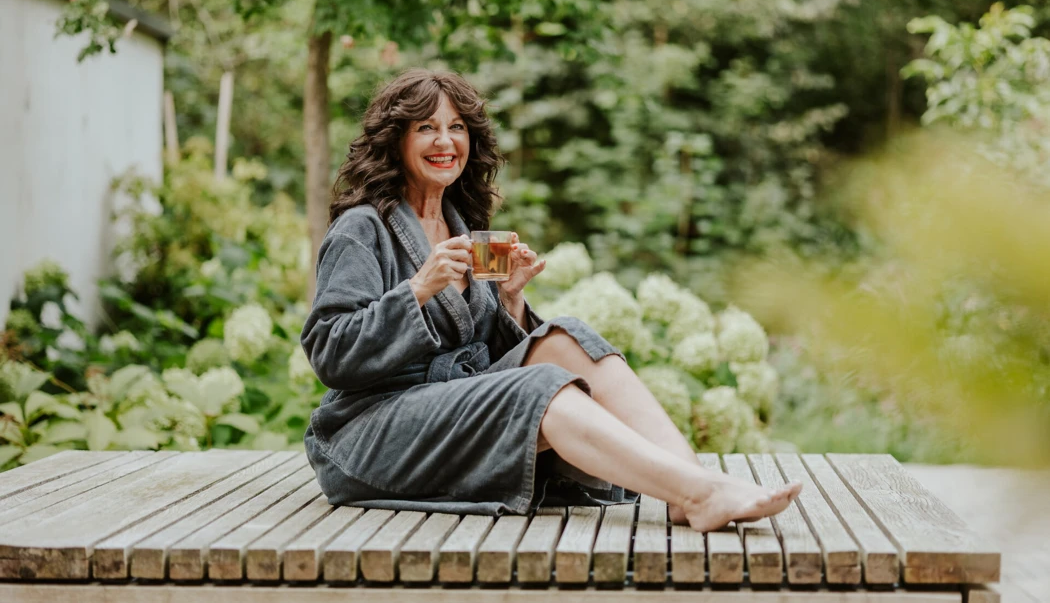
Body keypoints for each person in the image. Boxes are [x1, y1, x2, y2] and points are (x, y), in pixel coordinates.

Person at [301, 68, 802, 532]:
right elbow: (329, 354)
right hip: (371, 432)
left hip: (441, 412)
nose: (445, 141)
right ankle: (699, 495)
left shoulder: (458, 224)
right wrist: (417, 289)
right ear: (397, 140)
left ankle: (687, 484)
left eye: (456, 127)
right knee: (540, 386)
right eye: (426, 127)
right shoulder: (361, 229)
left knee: (565, 337)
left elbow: (480, 356)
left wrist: (511, 301)